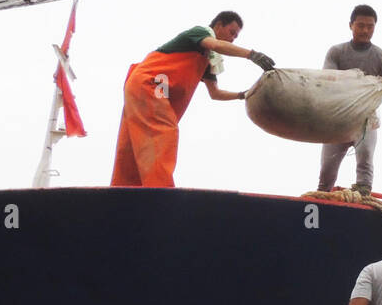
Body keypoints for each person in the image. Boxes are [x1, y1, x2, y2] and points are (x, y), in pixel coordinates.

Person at [110, 11, 274, 187]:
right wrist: (252, 54)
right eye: (231, 32)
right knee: (163, 129)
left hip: (151, 85)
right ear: (218, 25)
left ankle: (126, 187)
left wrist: (244, 94)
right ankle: (159, 188)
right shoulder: (200, 33)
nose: (233, 38)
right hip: (152, 82)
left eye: (236, 35)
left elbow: (215, 93)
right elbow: (217, 45)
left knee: (135, 137)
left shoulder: (208, 59)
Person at [317, 4, 382, 195]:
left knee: (365, 158)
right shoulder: (336, 52)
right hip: (337, 119)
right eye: (361, 25)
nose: (365, 30)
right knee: (326, 172)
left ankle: (363, 195)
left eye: (370, 27)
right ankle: (322, 198)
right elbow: (327, 80)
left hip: (365, 120)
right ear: (351, 25)